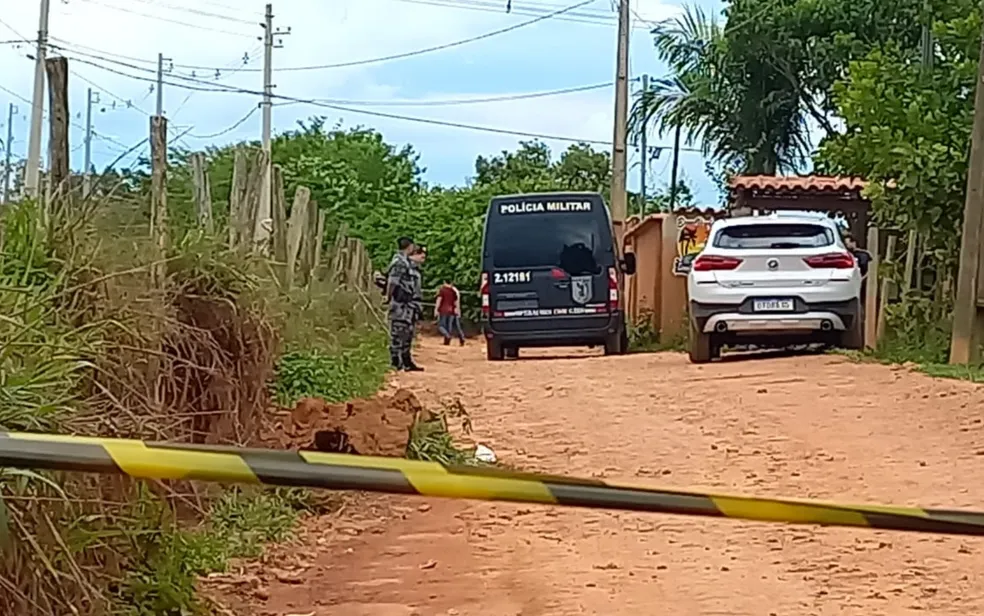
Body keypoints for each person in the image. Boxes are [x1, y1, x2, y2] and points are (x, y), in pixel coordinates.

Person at [385, 236, 422, 371]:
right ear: (410, 246)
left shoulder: (406, 262)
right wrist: (388, 297)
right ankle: (396, 361)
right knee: (398, 332)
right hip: (399, 303)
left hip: (408, 304)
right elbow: (393, 282)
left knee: (407, 333)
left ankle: (406, 361)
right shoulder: (399, 262)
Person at [435, 279, 465, 346]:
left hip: (443, 310)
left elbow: (439, 300)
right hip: (452, 310)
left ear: (444, 282)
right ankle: (451, 340)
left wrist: (436, 309)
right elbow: (456, 301)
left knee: (441, 326)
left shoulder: (442, 290)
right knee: (451, 326)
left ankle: (447, 337)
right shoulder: (454, 291)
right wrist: (457, 309)